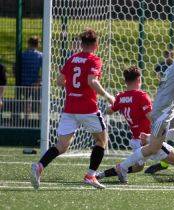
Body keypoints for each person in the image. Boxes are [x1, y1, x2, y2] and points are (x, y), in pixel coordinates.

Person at [96, 65, 174, 184]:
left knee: (138, 167)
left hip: (135, 139)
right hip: (148, 139)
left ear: (125, 81)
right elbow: (152, 118)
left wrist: (111, 102)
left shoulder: (120, 97)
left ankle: (101, 175)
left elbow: (109, 111)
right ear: (139, 80)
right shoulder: (141, 96)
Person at [30, 28, 115, 189]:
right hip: (88, 108)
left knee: (62, 145)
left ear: (82, 44)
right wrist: (108, 96)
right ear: (96, 44)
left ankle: (39, 166)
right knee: (101, 140)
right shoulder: (94, 59)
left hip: (70, 108)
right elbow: (92, 81)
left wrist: (74, 88)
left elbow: (60, 81)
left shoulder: (72, 59)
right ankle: (90, 175)